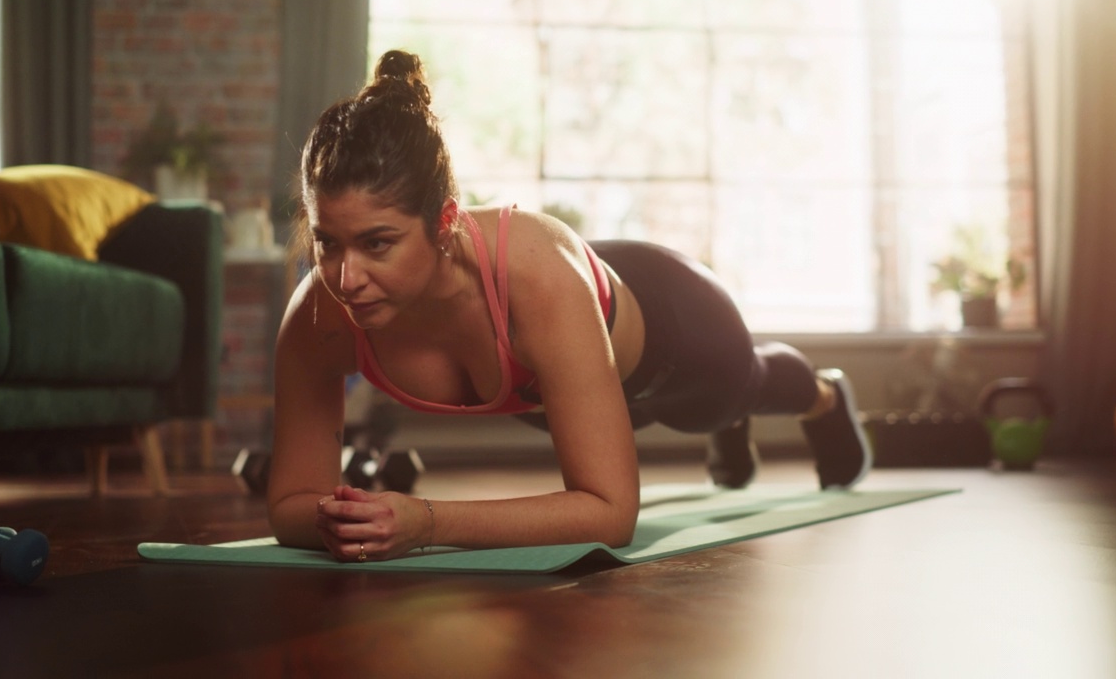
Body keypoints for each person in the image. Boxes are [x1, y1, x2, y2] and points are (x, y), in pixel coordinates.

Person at [267, 49, 871, 563]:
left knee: (731, 395)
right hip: (548, 374)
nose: (346, 278)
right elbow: (291, 505)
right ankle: (729, 426)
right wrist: (348, 519)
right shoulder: (320, 314)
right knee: (633, 414)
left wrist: (425, 522)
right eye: (327, 243)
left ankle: (822, 394)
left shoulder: (537, 281)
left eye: (378, 244)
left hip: (676, 331)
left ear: (445, 220)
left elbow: (612, 515)